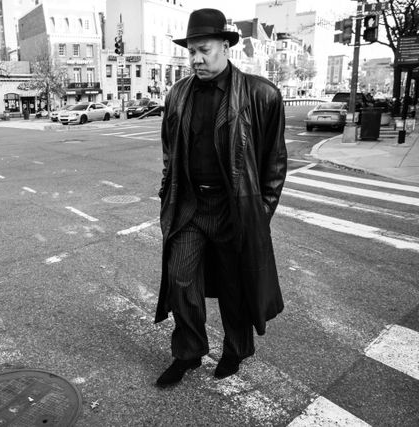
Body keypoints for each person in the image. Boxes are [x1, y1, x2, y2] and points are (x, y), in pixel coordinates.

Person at [154, 8, 287, 388]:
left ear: (226, 46)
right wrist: (169, 193)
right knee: (180, 281)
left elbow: (275, 164)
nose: (196, 58)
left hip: (235, 211)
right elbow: (170, 153)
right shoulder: (178, 94)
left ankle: (234, 350)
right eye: (191, 51)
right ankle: (188, 353)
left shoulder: (261, 94)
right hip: (191, 208)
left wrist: (257, 214)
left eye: (204, 50)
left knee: (235, 290)